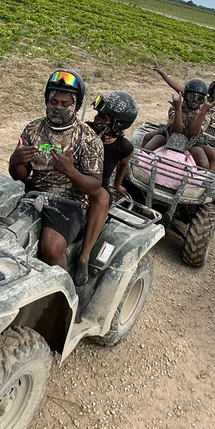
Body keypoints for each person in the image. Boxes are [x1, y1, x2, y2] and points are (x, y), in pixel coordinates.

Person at [9, 70, 104, 274]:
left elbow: (95, 186)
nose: (57, 107)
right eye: (53, 102)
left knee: (51, 248)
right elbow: (21, 175)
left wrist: (70, 172)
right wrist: (15, 160)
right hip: (33, 191)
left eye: (64, 104)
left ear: (75, 105)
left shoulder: (87, 138)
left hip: (70, 201)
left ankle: (59, 293)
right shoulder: (33, 129)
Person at [74, 91, 138, 286]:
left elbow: (123, 166)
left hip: (97, 188)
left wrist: (117, 185)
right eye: (98, 114)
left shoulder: (124, 147)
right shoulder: (85, 129)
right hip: (75, 178)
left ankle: (84, 257)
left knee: (102, 197)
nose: (97, 118)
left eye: (103, 116)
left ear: (117, 123)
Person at [142, 77, 215, 171]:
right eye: (191, 96)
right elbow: (176, 129)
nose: (194, 101)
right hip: (169, 135)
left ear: (203, 100)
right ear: (185, 96)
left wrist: (202, 113)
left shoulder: (206, 113)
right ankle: (136, 165)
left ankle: (204, 183)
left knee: (204, 164)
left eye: (199, 98)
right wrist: (178, 110)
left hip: (192, 142)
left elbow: (193, 133)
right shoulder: (176, 106)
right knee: (148, 145)